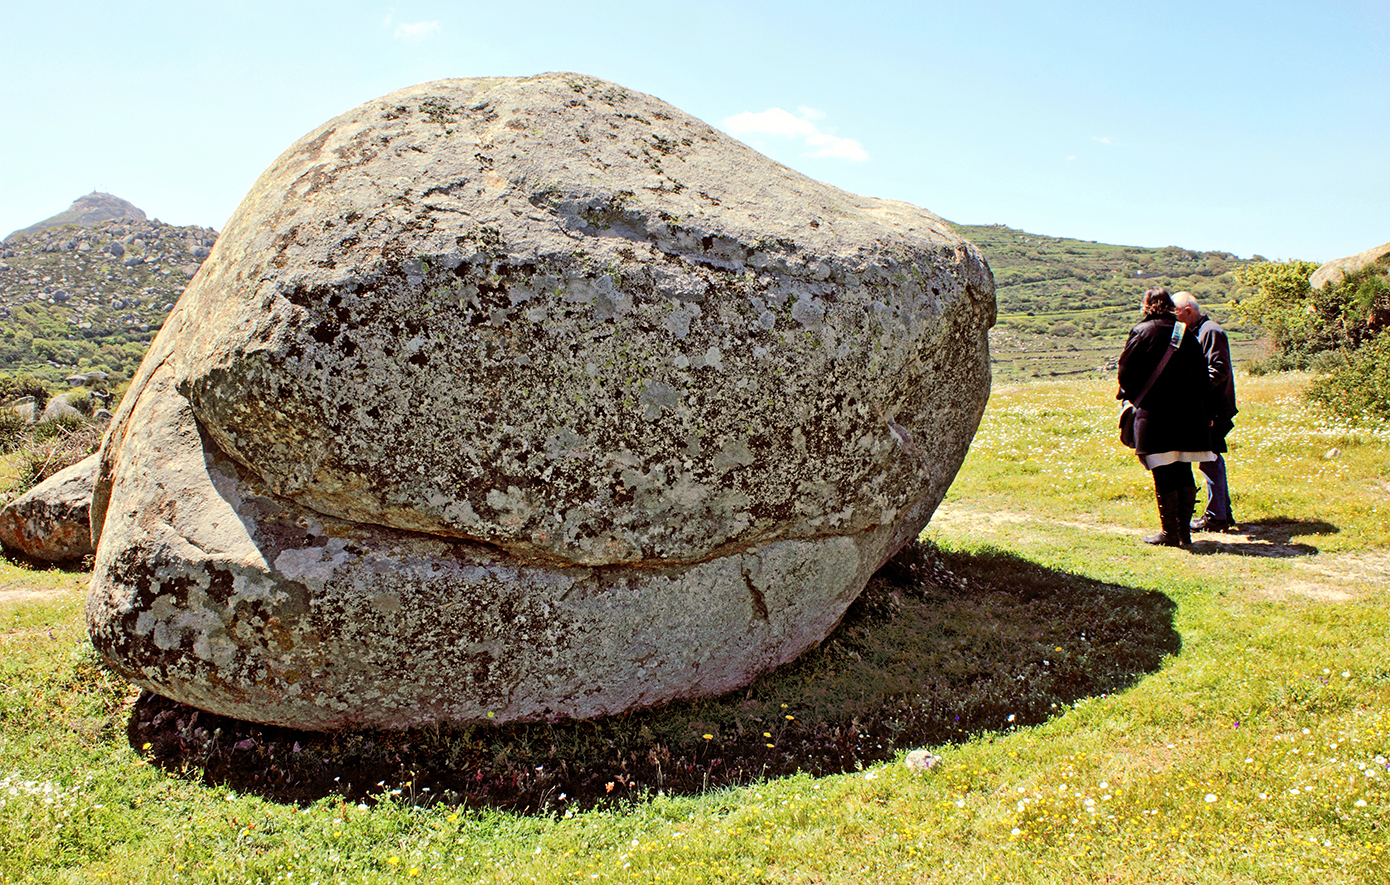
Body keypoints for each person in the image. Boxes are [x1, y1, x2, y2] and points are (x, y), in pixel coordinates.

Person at [1117, 287, 1215, 547]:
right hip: (1190, 414)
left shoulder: (1142, 331)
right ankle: (1185, 533)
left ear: (1146, 306)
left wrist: (1135, 396)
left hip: (1155, 413)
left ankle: (1170, 533)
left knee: (1163, 472)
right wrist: (1206, 411)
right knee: (1183, 470)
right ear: (1170, 305)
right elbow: (1203, 375)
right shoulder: (1186, 333)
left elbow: (1125, 373)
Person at [1172, 291, 1237, 532]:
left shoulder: (1211, 331)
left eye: (1175, 312)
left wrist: (1191, 395)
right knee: (1209, 459)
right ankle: (1221, 513)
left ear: (1188, 310)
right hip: (1201, 406)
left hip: (1211, 408)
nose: (1172, 317)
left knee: (1209, 460)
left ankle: (1216, 517)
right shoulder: (1186, 331)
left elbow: (1218, 372)